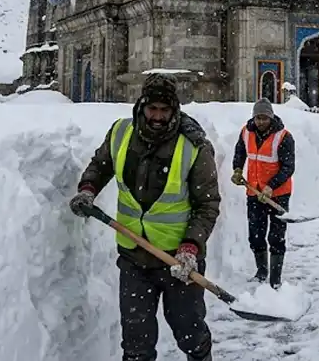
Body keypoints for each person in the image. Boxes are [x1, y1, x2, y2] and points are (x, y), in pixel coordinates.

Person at [68, 74, 221, 361]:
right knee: (136, 345)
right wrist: (88, 189)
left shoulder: (194, 146)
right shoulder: (121, 132)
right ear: (141, 106)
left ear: (175, 109)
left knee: (191, 335)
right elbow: (101, 165)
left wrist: (191, 247)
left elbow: (207, 204)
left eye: (165, 110)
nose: (158, 117)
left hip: (178, 262)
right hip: (134, 258)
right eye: (153, 109)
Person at [230, 97, 296, 289]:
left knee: (276, 236)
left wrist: (271, 187)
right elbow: (240, 152)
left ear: (271, 117)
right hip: (254, 192)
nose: (261, 122)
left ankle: (275, 278)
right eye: (258, 118)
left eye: (264, 118)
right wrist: (237, 169)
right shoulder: (246, 132)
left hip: (279, 194)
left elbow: (288, 167)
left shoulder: (283, 137)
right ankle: (261, 272)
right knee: (256, 234)